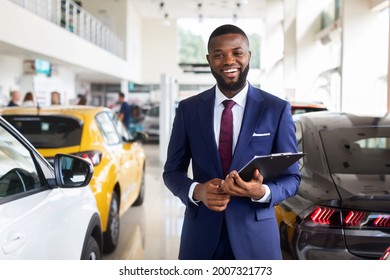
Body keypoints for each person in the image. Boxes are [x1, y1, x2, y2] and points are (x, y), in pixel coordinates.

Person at [163, 24, 301, 260]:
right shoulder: (189, 109)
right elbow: (171, 172)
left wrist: (262, 192)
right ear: (209, 60)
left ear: (248, 56)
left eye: (237, 53)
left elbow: (292, 178)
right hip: (201, 238)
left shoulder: (276, 109)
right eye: (219, 54)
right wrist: (197, 191)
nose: (229, 61)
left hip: (256, 238)